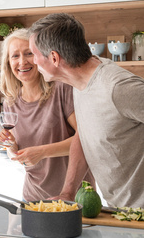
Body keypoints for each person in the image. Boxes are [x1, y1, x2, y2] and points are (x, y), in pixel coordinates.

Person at [29, 13, 144, 207]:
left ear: (54, 58)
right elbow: (83, 135)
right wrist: (68, 192)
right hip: (121, 210)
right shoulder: (78, 82)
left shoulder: (118, 87)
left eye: (34, 54)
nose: (33, 61)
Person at [0, 29, 94, 201]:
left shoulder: (62, 89)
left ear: (40, 57)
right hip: (33, 197)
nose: (22, 62)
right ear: (8, 63)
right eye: (15, 56)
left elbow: (86, 138)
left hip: (75, 197)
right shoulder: (10, 102)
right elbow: (15, 154)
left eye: (28, 54)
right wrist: (10, 146)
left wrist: (42, 152)